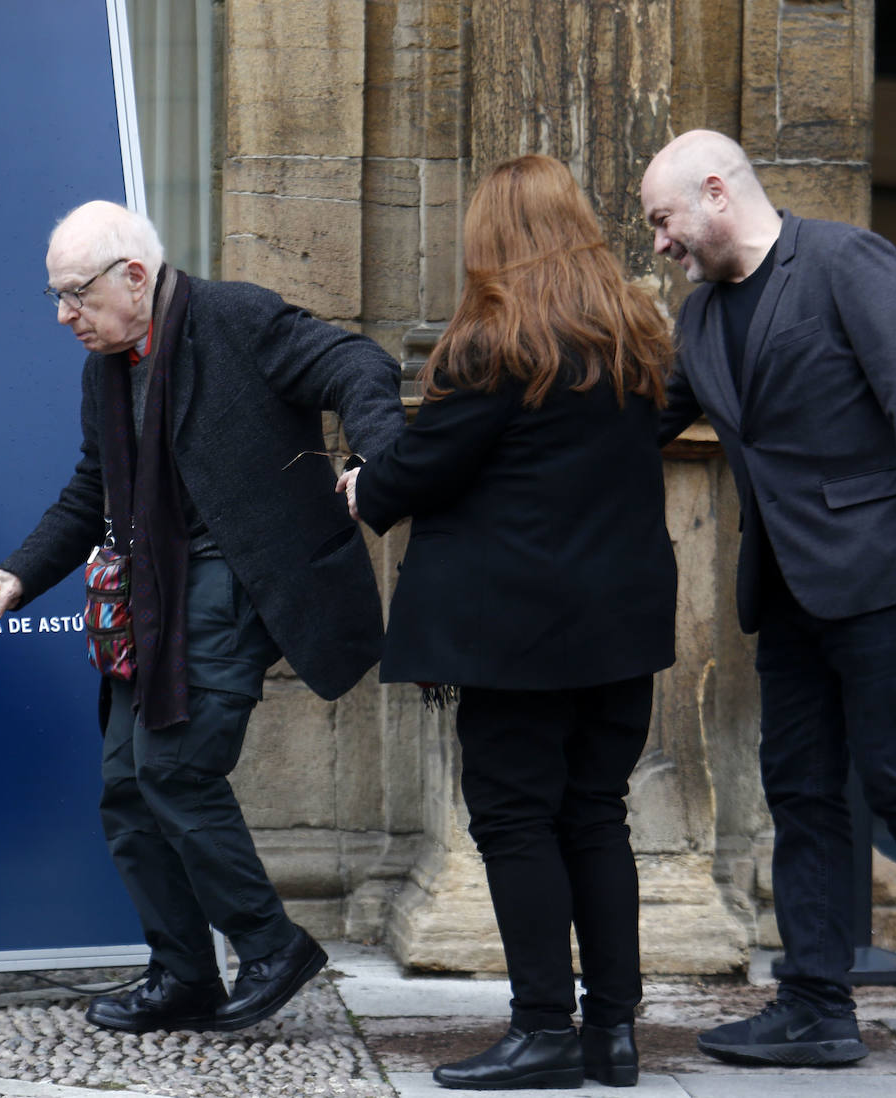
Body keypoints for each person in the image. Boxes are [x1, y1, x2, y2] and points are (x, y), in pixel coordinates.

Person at [0, 200, 405, 1034]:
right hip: (151, 592)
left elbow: (357, 364)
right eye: (55, 297)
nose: (65, 316)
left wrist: (375, 455)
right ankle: (183, 974)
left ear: (135, 277)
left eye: (76, 295)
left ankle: (273, 946)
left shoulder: (234, 317)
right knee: (127, 787)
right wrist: (21, 573)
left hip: (236, 576)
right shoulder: (107, 363)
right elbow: (92, 489)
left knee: (175, 770)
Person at [339, 155, 676, 1090]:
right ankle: (611, 1034)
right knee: (596, 817)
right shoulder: (633, 334)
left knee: (517, 822)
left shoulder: (494, 341)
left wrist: (366, 483)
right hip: (619, 625)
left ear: (495, 236)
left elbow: (420, 474)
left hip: (516, 636)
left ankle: (542, 1033)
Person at [643, 128, 896, 1067]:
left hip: (883, 582)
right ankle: (814, 1008)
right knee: (801, 794)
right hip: (787, 596)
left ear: (716, 192)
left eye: (665, 220)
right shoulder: (701, 319)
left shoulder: (843, 260)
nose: (661, 245)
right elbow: (639, 428)